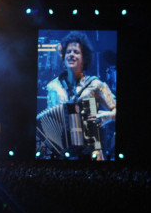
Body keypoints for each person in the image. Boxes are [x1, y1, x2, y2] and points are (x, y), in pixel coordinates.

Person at [44, 31, 116, 160]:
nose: (71, 55)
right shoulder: (53, 87)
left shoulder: (95, 85)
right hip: (62, 153)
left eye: (76, 52)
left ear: (84, 58)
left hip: (90, 152)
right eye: (68, 52)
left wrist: (105, 116)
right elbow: (50, 122)